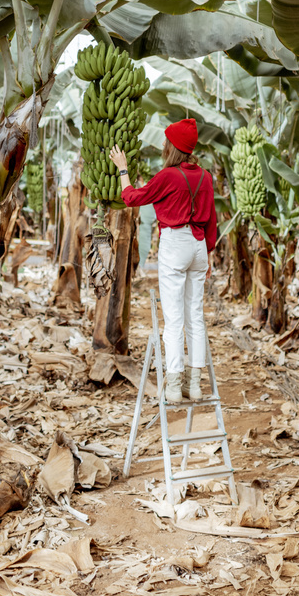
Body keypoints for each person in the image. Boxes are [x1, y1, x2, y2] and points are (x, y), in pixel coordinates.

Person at [109, 118, 217, 403]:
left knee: (173, 320)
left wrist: (123, 168)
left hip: (176, 244)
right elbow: (212, 222)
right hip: (198, 247)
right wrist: (207, 255)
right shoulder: (205, 177)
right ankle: (193, 385)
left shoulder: (168, 176)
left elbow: (132, 197)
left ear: (173, 147)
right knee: (194, 316)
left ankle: (172, 386)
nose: (163, 145)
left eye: (166, 141)